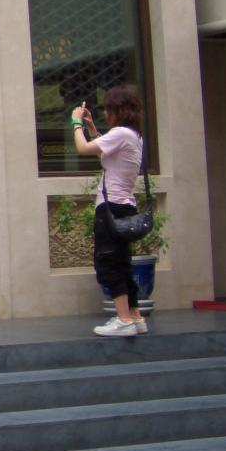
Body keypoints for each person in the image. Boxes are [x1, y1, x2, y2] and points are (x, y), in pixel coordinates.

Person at [71, 85, 149, 338]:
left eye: (108, 108)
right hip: (125, 206)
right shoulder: (133, 135)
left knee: (108, 262)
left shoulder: (120, 134)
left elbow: (83, 149)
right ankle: (135, 316)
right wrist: (92, 128)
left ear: (119, 110)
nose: (105, 112)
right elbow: (106, 155)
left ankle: (123, 319)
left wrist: (76, 124)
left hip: (110, 207)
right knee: (123, 262)